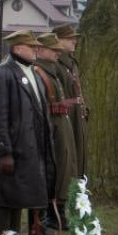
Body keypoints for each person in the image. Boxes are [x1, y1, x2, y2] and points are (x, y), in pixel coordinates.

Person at [0, 30, 54, 235]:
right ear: (16, 48)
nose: (36, 49)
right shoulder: (3, 74)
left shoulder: (32, 72)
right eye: (31, 46)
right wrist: (5, 151)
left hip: (28, 147)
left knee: (17, 198)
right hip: (12, 148)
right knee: (5, 200)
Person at [33, 33, 80, 228]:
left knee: (66, 166)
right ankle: (51, 215)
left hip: (62, 123)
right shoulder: (40, 72)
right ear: (40, 50)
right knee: (57, 168)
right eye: (53, 51)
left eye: (57, 51)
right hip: (52, 126)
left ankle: (58, 211)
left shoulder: (51, 71)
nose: (56, 54)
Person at [53, 23, 88, 177]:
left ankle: (76, 192)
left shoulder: (71, 62)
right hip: (65, 116)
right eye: (70, 38)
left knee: (79, 155)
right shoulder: (55, 63)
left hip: (76, 115)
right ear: (58, 40)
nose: (74, 41)